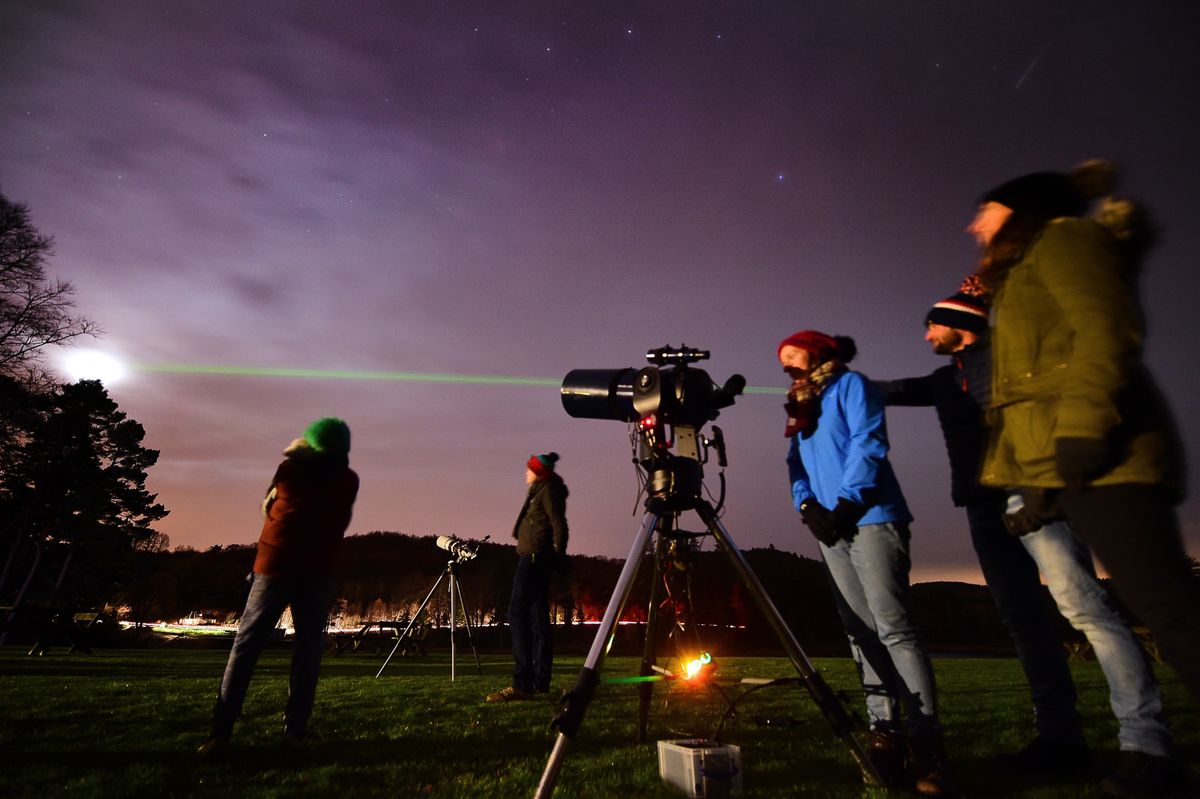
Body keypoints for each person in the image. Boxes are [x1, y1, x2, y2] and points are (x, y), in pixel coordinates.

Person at [878, 280, 1175, 784]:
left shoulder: (1015, 357)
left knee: (1085, 608)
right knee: (1023, 620)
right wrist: (830, 380)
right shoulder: (943, 380)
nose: (926, 334)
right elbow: (892, 391)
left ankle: (1148, 745)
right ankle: (1061, 743)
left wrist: (1043, 492)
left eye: (934, 323)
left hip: (1032, 493)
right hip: (981, 505)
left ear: (961, 325)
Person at [972, 160, 1198, 796]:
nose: (974, 222)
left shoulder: (1064, 240)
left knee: (1171, 610)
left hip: (1110, 454)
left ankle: (1153, 756)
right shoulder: (1023, 270)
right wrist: (1040, 488)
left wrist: (1081, 432)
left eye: (986, 210)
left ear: (1019, 211)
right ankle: (1155, 764)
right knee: (1165, 608)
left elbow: (1106, 331)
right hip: (1075, 461)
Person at [778, 331, 954, 796]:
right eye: (784, 365)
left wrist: (846, 504)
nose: (788, 370)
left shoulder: (852, 387)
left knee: (894, 627)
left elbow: (869, 443)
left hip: (871, 519)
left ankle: (927, 744)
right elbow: (795, 461)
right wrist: (806, 506)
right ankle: (886, 733)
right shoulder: (800, 405)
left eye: (794, 360)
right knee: (860, 631)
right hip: (830, 529)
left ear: (819, 355)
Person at [197, 418, 359, 756]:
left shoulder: (289, 470)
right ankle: (295, 730)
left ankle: (220, 733)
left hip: (274, 566)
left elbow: (266, 508)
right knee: (308, 652)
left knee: (246, 647)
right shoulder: (348, 481)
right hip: (317, 570)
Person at [487, 452, 569, 703]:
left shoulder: (547, 491)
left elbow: (559, 525)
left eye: (528, 469)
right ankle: (539, 683)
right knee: (537, 620)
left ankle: (522, 683)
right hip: (535, 558)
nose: (525, 473)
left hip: (534, 559)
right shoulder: (542, 490)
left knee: (517, 614)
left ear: (537, 472)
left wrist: (557, 556)